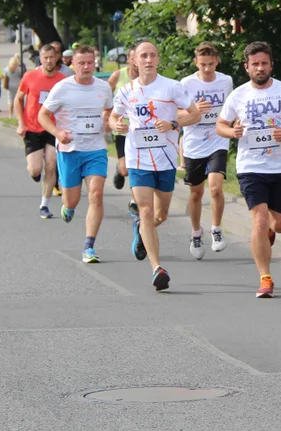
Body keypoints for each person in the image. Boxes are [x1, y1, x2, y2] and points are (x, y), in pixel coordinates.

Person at [216, 41, 281, 298]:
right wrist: (231, 131)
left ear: (271, 65)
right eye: (255, 64)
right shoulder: (238, 95)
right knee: (258, 219)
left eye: (264, 63)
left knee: (279, 225)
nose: (260, 68)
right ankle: (265, 278)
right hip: (250, 166)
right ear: (246, 67)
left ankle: (269, 231)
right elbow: (220, 125)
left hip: (280, 166)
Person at [111, 40, 202, 291]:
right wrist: (115, 125)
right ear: (135, 61)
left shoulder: (172, 87)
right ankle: (157, 268)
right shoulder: (126, 91)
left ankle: (140, 229)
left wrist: (173, 124)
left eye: (152, 55)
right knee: (146, 210)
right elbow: (113, 116)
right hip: (138, 159)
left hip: (166, 159)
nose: (148, 60)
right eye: (143, 56)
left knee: (160, 215)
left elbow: (195, 114)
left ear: (158, 59)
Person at [39, 46, 114, 262]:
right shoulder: (62, 88)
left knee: (96, 194)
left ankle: (89, 246)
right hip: (70, 150)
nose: (86, 67)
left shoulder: (103, 87)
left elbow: (108, 110)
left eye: (90, 62)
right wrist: (57, 132)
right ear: (73, 64)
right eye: (81, 63)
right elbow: (43, 114)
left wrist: (107, 121)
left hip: (96, 150)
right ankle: (68, 207)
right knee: (71, 201)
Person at [180, 42, 233, 258]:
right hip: (194, 142)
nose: (208, 69)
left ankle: (217, 229)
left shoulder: (226, 81)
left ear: (217, 61)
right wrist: (194, 111)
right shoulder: (186, 83)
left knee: (215, 188)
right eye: (203, 65)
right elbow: (176, 114)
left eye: (211, 64)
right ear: (196, 63)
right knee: (196, 192)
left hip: (218, 138)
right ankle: (196, 232)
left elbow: (231, 108)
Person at [15, 44, 65, 219]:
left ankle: (44, 204)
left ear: (57, 58)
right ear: (40, 59)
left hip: (53, 128)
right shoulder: (30, 77)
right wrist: (21, 123)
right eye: (45, 58)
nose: (49, 61)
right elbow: (18, 99)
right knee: (36, 169)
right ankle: (35, 173)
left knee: (51, 165)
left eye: (52, 57)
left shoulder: (62, 80)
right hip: (32, 128)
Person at [107, 44, 140, 191]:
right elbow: (106, 96)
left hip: (142, 129)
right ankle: (119, 170)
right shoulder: (118, 75)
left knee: (139, 167)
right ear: (128, 59)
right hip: (122, 128)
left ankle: (134, 202)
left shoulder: (148, 78)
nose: (136, 62)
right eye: (133, 58)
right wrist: (107, 115)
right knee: (126, 169)